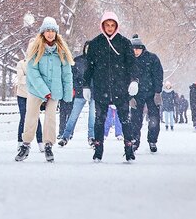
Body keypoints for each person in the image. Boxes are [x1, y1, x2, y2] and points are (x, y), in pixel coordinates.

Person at [15, 17, 73, 163]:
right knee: (31, 117)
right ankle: (26, 145)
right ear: (42, 32)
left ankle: (48, 145)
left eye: (53, 31)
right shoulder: (35, 49)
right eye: (47, 30)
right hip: (36, 90)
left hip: (54, 91)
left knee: (51, 119)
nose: (50, 34)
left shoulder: (61, 51)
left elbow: (66, 73)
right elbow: (32, 72)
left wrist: (68, 92)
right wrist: (43, 90)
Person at [83, 11, 138, 162]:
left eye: (112, 25)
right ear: (103, 25)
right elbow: (89, 67)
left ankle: (129, 149)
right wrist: (86, 85)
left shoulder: (124, 43)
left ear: (116, 26)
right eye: (107, 25)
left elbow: (132, 64)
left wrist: (134, 80)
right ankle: (98, 149)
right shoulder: (95, 43)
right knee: (99, 120)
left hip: (121, 87)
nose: (109, 27)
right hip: (101, 88)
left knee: (125, 119)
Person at [129, 35, 164, 153]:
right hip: (136, 94)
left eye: (137, 49)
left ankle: (152, 140)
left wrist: (158, 92)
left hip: (151, 93)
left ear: (142, 48)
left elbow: (158, 75)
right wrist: (129, 96)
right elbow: (124, 79)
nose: (135, 51)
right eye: (133, 49)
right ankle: (135, 140)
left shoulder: (152, 58)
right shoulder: (128, 60)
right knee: (135, 119)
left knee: (154, 118)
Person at [58, 50, 96, 147]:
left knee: (92, 117)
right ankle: (65, 136)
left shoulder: (98, 60)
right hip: (80, 91)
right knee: (73, 115)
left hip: (95, 92)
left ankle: (91, 137)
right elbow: (72, 76)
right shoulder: (78, 60)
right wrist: (77, 87)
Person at [14, 51, 44, 152]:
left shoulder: (40, 63)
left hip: (35, 95)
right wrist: (34, 78)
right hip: (22, 95)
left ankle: (40, 142)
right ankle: (20, 142)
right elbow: (20, 78)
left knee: (36, 118)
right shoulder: (21, 63)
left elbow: (42, 79)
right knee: (24, 117)